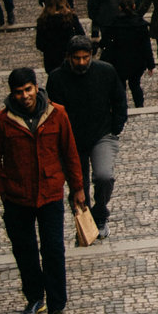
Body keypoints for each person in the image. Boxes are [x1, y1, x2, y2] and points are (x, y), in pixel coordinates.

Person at [0, 65, 83, 314]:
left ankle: (57, 307)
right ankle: (34, 297)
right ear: (12, 94)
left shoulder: (57, 113)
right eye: (18, 92)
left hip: (50, 192)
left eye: (28, 89)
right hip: (17, 198)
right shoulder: (1, 120)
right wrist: (1, 190)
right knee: (25, 250)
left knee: (53, 250)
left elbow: (70, 151)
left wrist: (78, 188)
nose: (24, 96)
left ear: (36, 87)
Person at [47, 36, 128, 239]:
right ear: (68, 57)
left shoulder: (105, 71)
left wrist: (116, 127)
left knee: (104, 176)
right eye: (77, 58)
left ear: (92, 55)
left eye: (85, 57)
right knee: (78, 186)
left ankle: (100, 213)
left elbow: (119, 99)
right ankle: (85, 222)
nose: (81, 62)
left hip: (101, 134)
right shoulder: (57, 78)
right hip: (72, 141)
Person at [98, 0, 154, 109]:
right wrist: (150, 64)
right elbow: (146, 46)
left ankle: (122, 106)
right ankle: (139, 104)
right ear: (134, 6)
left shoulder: (114, 23)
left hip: (118, 61)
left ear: (119, 8)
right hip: (137, 61)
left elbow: (105, 42)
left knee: (120, 85)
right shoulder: (140, 24)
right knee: (135, 84)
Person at [33, 0, 85, 74]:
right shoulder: (70, 17)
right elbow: (81, 35)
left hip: (51, 60)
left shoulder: (43, 20)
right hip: (69, 57)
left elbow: (39, 44)